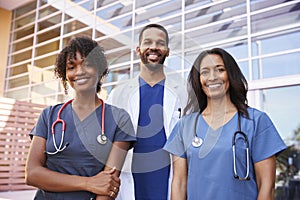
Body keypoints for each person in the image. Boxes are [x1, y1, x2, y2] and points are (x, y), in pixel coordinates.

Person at [163, 48, 287, 199]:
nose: (212, 77)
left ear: (230, 74)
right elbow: (179, 183)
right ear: (198, 80)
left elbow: (266, 186)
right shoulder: (184, 127)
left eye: (220, 70)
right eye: (205, 72)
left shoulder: (256, 121)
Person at [25, 36, 136, 200]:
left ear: (99, 68)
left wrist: (96, 185)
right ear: (65, 74)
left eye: (87, 64)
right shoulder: (49, 116)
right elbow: (32, 174)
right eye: (71, 67)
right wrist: (88, 183)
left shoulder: (119, 119)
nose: (79, 72)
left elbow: (107, 185)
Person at [107, 24, 187, 200]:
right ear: (138, 50)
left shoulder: (183, 93)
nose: (154, 47)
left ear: (167, 51)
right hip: (129, 184)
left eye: (160, 43)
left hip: (169, 184)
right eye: (148, 42)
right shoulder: (117, 94)